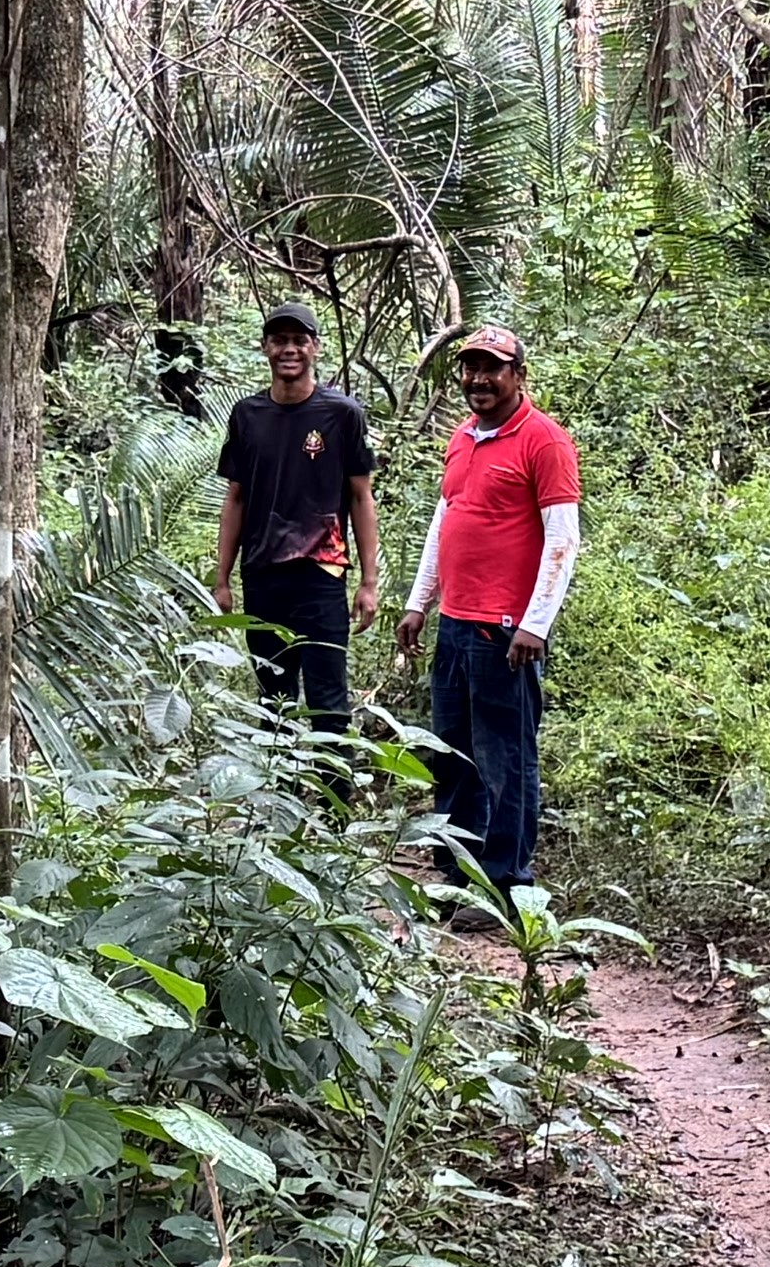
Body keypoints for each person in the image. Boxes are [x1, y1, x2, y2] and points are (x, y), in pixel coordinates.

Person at [396, 326, 580, 899]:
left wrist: (535, 623)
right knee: (452, 753)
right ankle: (456, 875)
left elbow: (562, 540)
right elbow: (445, 520)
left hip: (504, 632)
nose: (479, 379)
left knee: (506, 759)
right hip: (455, 623)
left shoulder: (544, 442)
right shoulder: (463, 438)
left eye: (492, 368)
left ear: (518, 376)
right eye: (471, 367)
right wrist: (418, 602)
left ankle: (505, 882)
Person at [210, 301, 381, 736]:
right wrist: (223, 578)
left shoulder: (341, 414)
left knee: (328, 702)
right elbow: (236, 497)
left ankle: (332, 802)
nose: (290, 349)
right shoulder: (247, 415)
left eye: (299, 340)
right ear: (265, 347)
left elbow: (361, 497)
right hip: (263, 575)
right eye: (280, 340)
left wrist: (369, 582)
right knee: (274, 700)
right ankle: (279, 802)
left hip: (321, 575)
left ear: (315, 348)